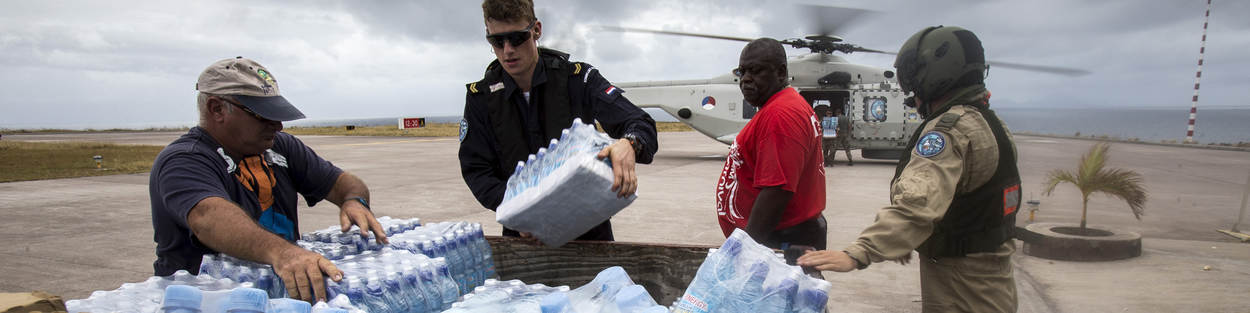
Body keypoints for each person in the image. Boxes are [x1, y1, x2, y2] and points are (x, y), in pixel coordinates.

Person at [797, 26, 1022, 312]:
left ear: (936, 75)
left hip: (961, 287)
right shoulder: (990, 123)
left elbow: (916, 206)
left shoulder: (948, 133)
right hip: (993, 280)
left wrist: (859, 253)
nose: (911, 94)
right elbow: (966, 201)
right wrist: (908, 240)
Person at [150, 57, 389, 303]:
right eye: (262, 115)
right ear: (217, 109)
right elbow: (208, 218)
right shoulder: (185, 160)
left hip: (277, 298)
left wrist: (353, 200)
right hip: (206, 303)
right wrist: (284, 253)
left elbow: (343, 183)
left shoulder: (279, 147)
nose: (278, 125)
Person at [459, 0, 658, 241]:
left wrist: (629, 144)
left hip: (589, 238)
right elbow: (477, 170)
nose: (508, 50)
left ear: (536, 30)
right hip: (524, 238)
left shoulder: (578, 80)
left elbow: (639, 122)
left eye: (517, 38)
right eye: (497, 41)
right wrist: (519, 211)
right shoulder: (482, 98)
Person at [715, 38, 827, 250]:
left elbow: (777, 191)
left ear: (781, 72)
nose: (746, 80)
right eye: (742, 72)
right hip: (781, 237)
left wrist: (744, 251)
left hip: (780, 242)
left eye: (756, 71)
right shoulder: (782, 106)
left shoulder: (781, 115)